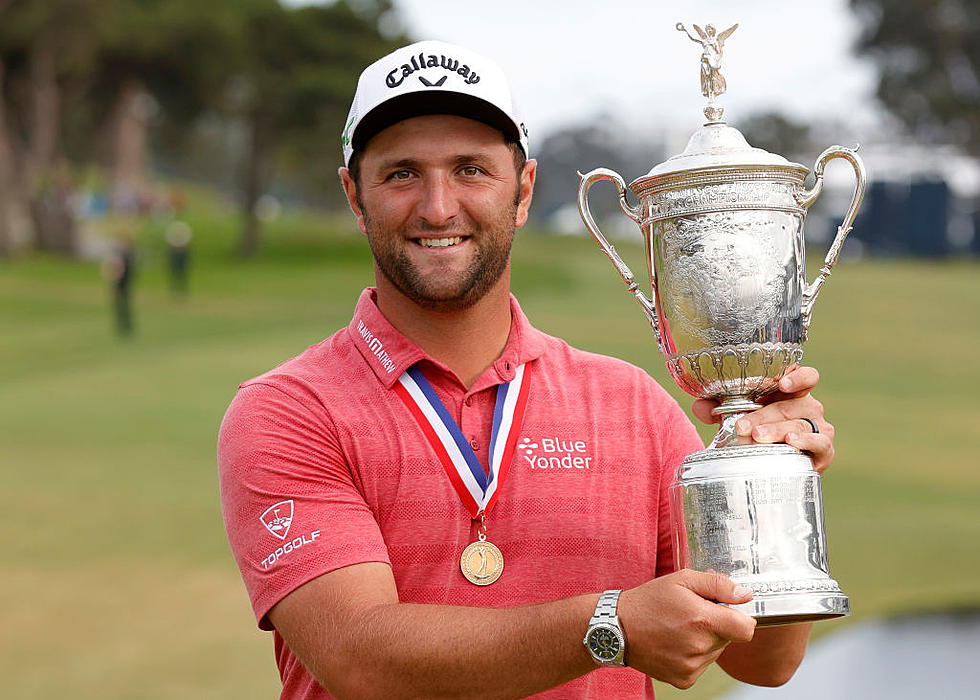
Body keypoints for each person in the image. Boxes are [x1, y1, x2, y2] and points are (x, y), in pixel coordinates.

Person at [218, 40, 837, 699]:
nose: (437, 206)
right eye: (401, 173)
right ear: (353, 193)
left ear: (524, 189)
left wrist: (772, 479)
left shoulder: (633, 405)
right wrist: (611, 627)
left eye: (470, 170)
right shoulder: (288, 410)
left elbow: (763, 662)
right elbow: (361, 659)